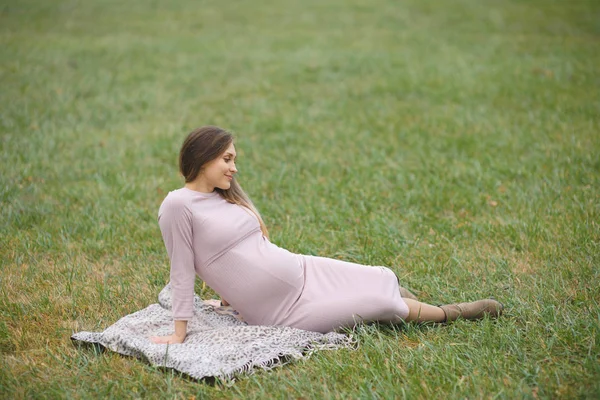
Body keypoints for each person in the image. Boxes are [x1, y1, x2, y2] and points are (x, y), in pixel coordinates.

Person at [150, 126, 502, 344]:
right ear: (203, 157)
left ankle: (406, 300)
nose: (234, 167)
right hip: (283, 311)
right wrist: (180, 333)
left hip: (303, 270)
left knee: (382, 275)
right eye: (227, 158)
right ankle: (449, 313)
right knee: (381, 304)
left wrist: (228, 299)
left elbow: (237, 254)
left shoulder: (222, 197)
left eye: (234, 158)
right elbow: (182, 271)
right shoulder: (178, 206)